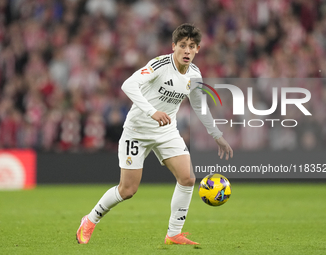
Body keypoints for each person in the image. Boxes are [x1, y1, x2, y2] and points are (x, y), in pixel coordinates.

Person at [76, 23, 233, 245]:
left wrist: (216, 134)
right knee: (128, 189)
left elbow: (200, 106)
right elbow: (128, 85)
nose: (186, 51)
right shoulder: (159, 65)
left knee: (188, 178)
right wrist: (152, 112)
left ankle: (173, 234)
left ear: (198, 49)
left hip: (166, 130)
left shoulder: (195, 75)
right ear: (173, 47)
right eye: (182, 46)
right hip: (137, 130)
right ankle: (90, 220)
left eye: (191, 46)